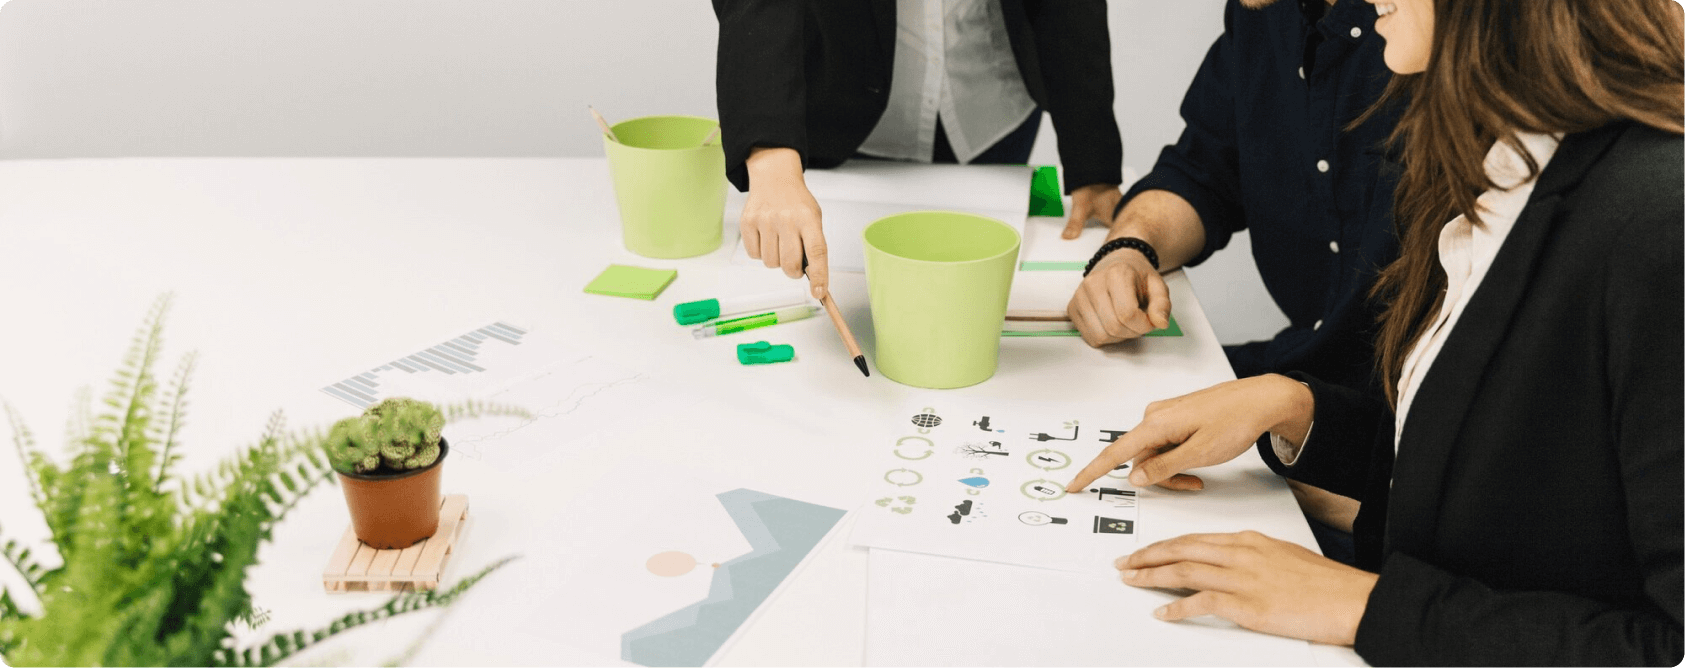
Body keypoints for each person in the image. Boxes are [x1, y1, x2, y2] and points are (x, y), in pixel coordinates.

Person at [1064, 0, 1685, 664]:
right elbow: (1505, 491)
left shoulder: (1658, 224)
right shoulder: (1500, 170)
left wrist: (1363, 607)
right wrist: (1298, 411)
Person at [1067, 0, 1401, 395]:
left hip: (1399, 399)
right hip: (1303, 377)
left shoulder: (1425, 39)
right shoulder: (1262, 11)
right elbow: (1203, 168)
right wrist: (1128, 250)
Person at [712, 0, 1123, 299]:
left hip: (989, 103)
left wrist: (1093, 160)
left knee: (974, 289)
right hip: (846, 100)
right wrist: (770, 156)